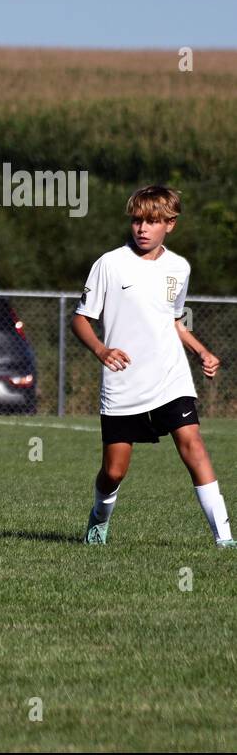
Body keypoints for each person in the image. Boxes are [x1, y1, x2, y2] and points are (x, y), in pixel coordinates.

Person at [72, 184, 232, 547]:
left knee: (193, 445)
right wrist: (101, 350)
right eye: (137, 220)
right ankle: (99, 519)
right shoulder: (109, 264)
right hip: (123, 381)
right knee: (114, 471)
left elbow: (173, 321)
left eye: (152, 221)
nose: (142, 228)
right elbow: (81, 318)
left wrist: (201, 351)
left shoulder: (179, 268)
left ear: (170, 225)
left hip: (169, 375)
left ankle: (224, 538)